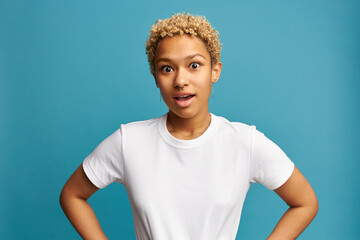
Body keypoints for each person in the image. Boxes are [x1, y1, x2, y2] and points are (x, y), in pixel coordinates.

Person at [60, 13, 318, 240]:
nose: (180, 80)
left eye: (194, 65)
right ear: (156, 78)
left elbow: (305, 203)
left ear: (214, 71)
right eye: (167, 68)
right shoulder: (129, 141)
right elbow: (72, 195)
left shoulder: (244, 141)